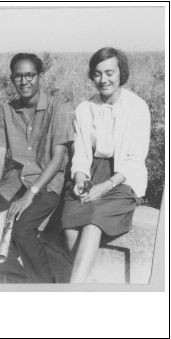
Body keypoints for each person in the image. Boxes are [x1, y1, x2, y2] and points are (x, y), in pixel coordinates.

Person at [0, 53, 73, 284]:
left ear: (39, 76)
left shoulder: (58, 109)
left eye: (29, 75)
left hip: (47, 182)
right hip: (16, 179)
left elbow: (57, 159)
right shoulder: (7, 110)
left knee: (22, 229)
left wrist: (29, 196)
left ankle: (46, 286)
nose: (24, 81)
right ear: (12, 78)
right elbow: (0, 154)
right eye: (18, 76)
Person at [61, 47, 151, 283]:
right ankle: (85, 285)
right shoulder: (84, 109)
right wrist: (80, 177)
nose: (104, 80)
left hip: (123, 177)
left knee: (93, 223)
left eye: (109, 72)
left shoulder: (137, 107)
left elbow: (135, 158)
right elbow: (80, 151)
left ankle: (73, 291)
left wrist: (107, 186)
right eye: (98, 74)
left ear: (121, 73)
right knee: (69, 226)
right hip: (93, 172)